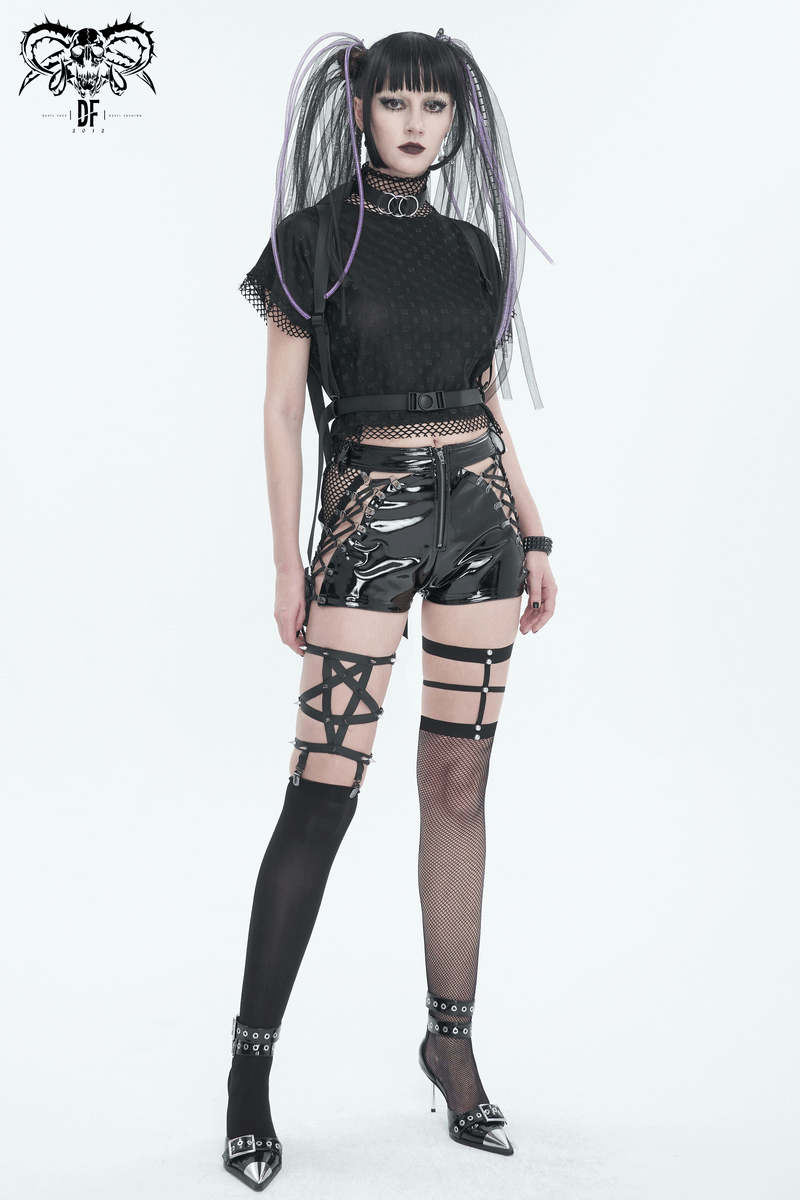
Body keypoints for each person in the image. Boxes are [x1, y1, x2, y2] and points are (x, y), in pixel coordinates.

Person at [225, 28, 557, 1191]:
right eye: (394, 103)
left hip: (479, 523)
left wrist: (533, 528)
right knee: (323, 792)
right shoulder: (311, 239)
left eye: (434, 106)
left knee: (459, 785)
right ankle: (249, 1073)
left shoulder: (471, 249)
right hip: (364, 525)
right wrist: (286, 565)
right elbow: (280, 413)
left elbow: (484, 397)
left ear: (456, 120)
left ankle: (449, 1048)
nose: (414, 124)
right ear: (359, 108)